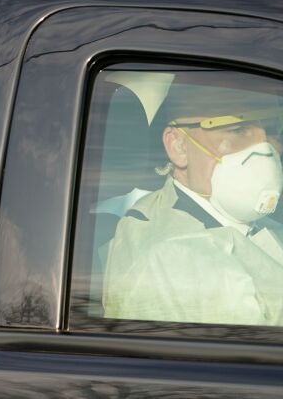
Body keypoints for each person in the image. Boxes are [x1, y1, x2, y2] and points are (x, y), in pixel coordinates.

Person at [103, 77, 283, 326]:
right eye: (238, 129)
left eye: (272, 130)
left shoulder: (255, 222)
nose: (265, 147)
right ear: (179, 146)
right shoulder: (166, 256)